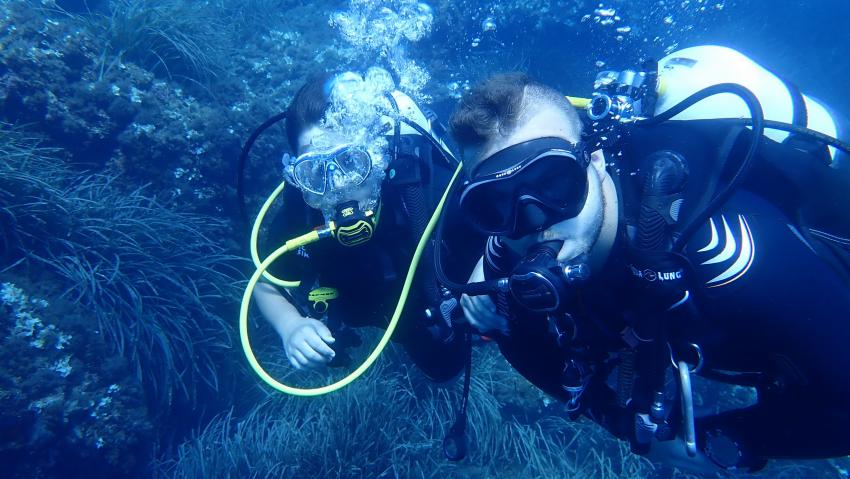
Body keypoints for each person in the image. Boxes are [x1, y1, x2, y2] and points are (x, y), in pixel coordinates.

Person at [441, 46, 850, 471]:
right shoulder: (504, 258)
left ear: (595, 162)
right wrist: (618, 419)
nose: (533, 221)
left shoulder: (726, 256)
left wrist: (722, 440)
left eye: (553, 182)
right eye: (494, 204)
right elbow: (525, 348)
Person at [252, 68, 475, 382]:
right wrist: (290, 325)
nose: (336, 186)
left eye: (350, 161)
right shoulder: (300, 211)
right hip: (365, 308)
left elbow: (498, 227)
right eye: (315, 169)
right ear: (297, 173)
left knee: (445, 366)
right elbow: (265, 280)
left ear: (377, 154)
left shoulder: (424, 190)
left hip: (428, 309)